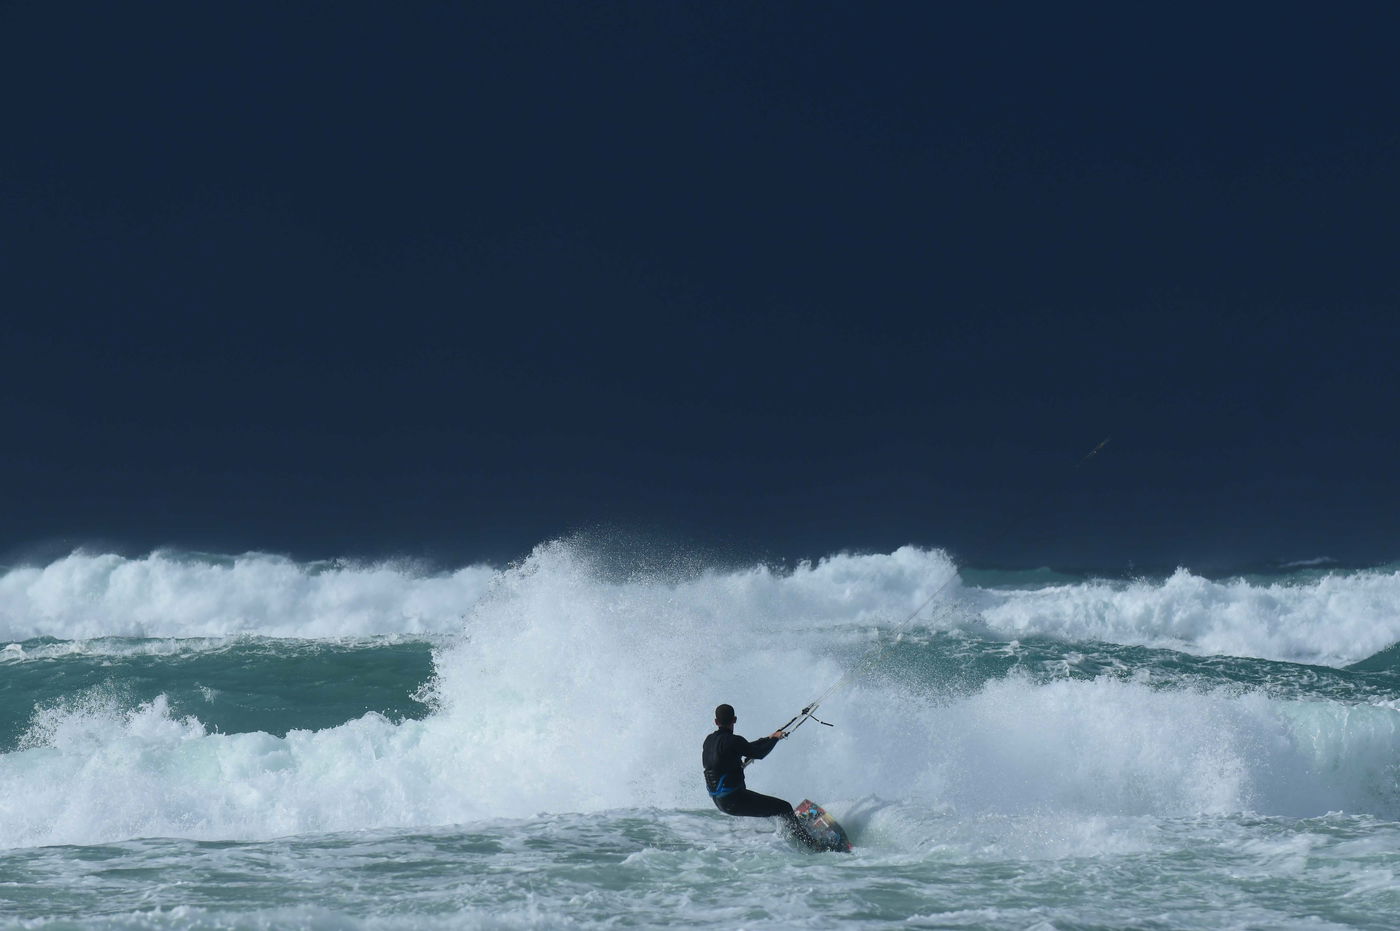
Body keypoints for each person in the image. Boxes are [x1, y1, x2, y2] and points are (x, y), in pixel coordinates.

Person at [702, 703, 818, 849]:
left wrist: (768, 738)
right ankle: (812, 844)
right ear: (735, 719)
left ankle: (791, 831)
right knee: (784, 807)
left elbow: (745, 747)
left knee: (776, 809)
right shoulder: (734, 741)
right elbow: (758, 753)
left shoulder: (709, 740)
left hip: (719, 801)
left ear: (716, 722)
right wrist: (775, 739)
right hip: (734, 801)